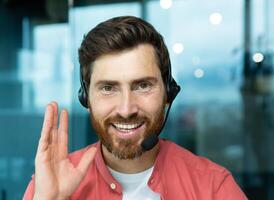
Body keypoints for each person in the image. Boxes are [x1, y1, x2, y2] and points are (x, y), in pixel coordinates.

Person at [23, 16, 247, 200]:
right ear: (86, 99)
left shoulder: (213, 187)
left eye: (142, 86)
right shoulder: (49, 184)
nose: (126, 108)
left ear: (168, 93)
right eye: (108, 88)